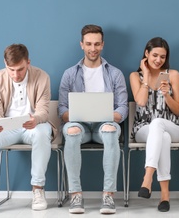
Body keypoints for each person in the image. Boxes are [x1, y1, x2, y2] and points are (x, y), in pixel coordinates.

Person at [58, 24, 128, 214]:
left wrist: (105, 115)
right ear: (81, 44)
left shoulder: (115, 73)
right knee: (71, 131)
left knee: (111, 130)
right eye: (89, 44)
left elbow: (123, 108)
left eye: (97, 44)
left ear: (102, 45)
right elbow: (62, 109)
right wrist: (78, 114)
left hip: (104, 126)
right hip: (78, 126)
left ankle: (108, 195)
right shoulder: (69, 74)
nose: (93, 48)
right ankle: (75, 195)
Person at [0, 44, 55, 216]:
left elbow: (43, 110)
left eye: (20, 69)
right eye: (11, 70)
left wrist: (35, 119)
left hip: (33, 125)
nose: (15, 75)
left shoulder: (42, 77)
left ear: (28, 62)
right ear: (5, 64)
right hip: (8, 127)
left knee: (43, 133)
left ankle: (38, 189)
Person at [129, 37, 179, 212]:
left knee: (159, 124)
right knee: (162, 135)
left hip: (172, 125)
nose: (158, 60)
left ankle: (148, 177)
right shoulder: (134, 76)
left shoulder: (173, 74)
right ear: (146, 54)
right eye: (154, 55)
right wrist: (145, 77)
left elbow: (177, 110)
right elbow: (140, 101)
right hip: (143, 127)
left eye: (162, 56)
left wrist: (166, 95)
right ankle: (164, 196)